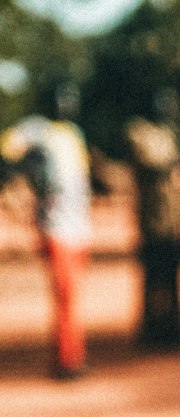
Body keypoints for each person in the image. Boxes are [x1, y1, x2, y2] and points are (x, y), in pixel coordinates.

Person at [0, 81, 91, 378]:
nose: (67, 104)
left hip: (79, 227)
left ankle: (72, 354)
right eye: (61, 98)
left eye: (71, 98)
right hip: (56, 225)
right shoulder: (38, 130)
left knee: (73, 296)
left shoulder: (75, 135)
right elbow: (9, 148)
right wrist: (27, 177)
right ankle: (67, 360)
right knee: (65, 295)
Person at [125, 88, 180, 348]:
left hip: (174, 221)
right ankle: (151, 330)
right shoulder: (139, 132)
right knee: (152, 279)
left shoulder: (169, 134)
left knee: (173, 278)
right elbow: (151, 165)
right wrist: (171, 164)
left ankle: (173, 330)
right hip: (152, 223)